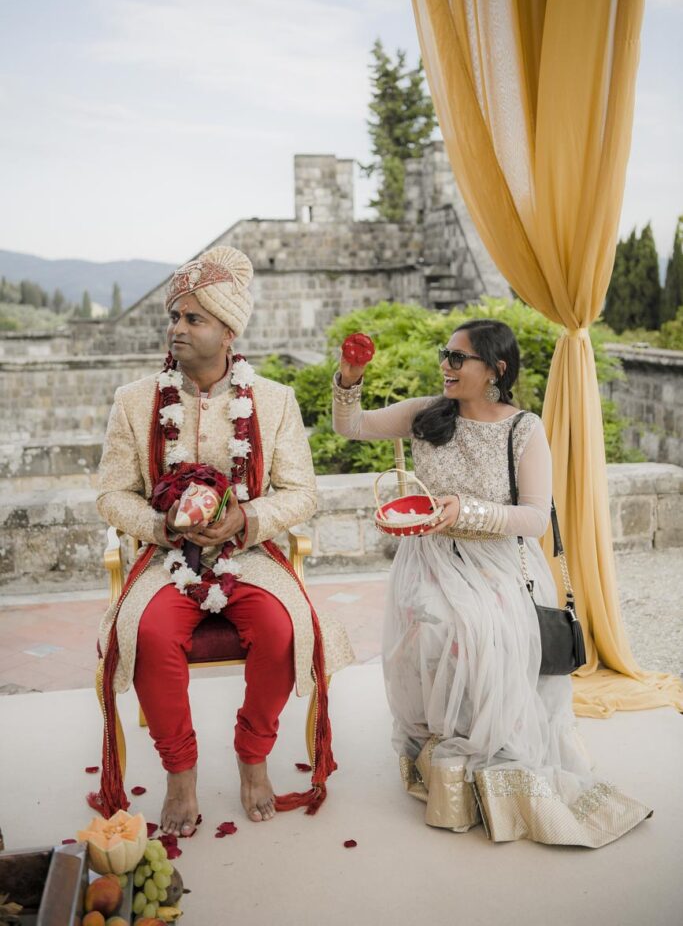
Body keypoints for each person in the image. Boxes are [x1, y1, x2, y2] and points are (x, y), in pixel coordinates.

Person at [333, 318, 651, 846]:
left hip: (498, 563)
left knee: (480, 635)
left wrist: (467, 511)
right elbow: (351, 426)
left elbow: (534, 518)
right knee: (431, 630)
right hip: (430, 557)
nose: (445, 366)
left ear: (495, 369)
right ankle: (443, 757)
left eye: (458, 359)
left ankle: (491, 765)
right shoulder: (424, 414)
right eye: (445, 355)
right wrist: (350, 377)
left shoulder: (522, 428)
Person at [90, 246, 353, 835]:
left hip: (250, 555)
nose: (175, 329)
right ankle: (179, 773)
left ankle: (253, 757)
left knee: (286, 633)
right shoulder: (135, 402)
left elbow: (303, 492)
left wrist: (245, 520)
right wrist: (161, 526)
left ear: (228, 331)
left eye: (192, 318)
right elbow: (111, 494)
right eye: (174, 318)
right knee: (151, 633)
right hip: (166, 558)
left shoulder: (274, 400)